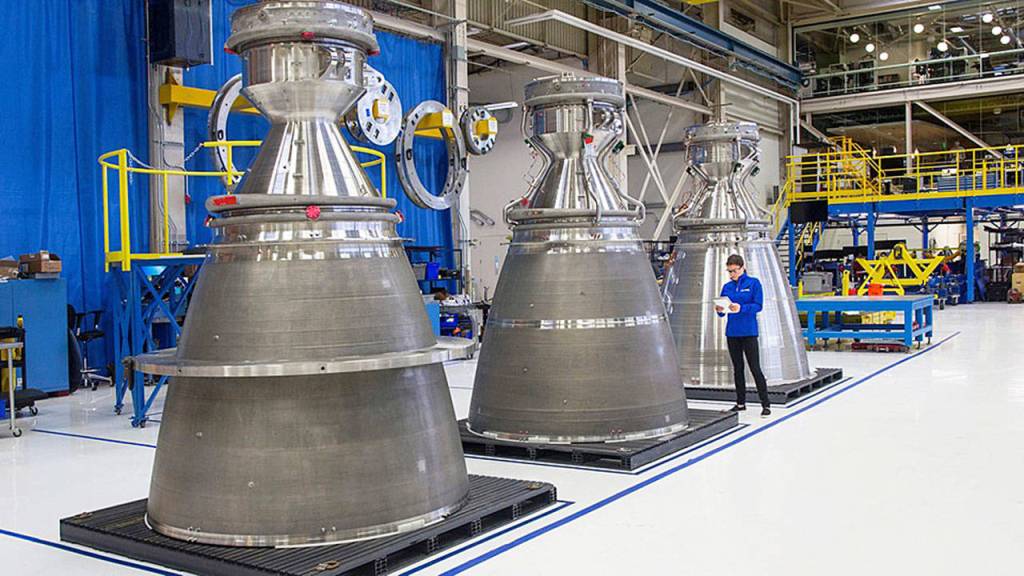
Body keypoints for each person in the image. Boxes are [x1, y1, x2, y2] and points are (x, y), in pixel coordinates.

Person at [715, 254, 771, 417]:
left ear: (742, 267)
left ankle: (765, 403)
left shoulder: (753, 283)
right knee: (737, 368)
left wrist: (742, 308)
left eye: (734, 271)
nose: (731, 274)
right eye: (729, 271)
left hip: (749, 332)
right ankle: (740, 403)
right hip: (732, 332)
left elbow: (758, 305)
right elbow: (722, 310)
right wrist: (719, 310)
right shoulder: (727, 287)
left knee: (755, 368)